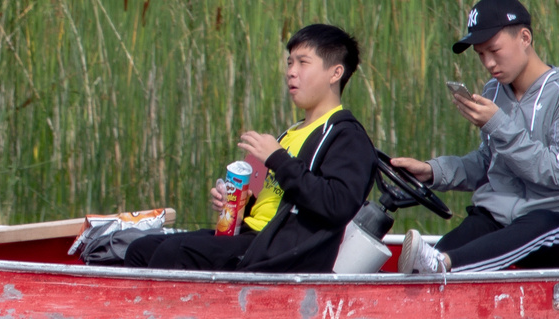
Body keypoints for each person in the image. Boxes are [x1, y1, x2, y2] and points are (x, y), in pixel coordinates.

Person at [124, 24, 376, 273]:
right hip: (251, 236)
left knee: (174, 253)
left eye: (303, 62)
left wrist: (278, 158)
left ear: (335, 73)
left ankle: (174, 314)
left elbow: (337, 204)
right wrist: (239, 204)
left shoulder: (347, 136)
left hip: (279, 253)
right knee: (140, 249)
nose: (291, 72)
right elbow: (277, 201)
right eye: (289, 62)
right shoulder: (292, 132)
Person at [390, 0, 559, 274]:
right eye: (480, 55)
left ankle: (445, 267)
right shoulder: (493, 92)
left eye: (494, 50)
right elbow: (488, 164)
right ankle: (436, 265)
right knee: (433, 258)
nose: (488, 63)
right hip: (500, 219)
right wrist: (431, 171)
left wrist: (498, 124)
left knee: (533, 228)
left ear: (524, 38)